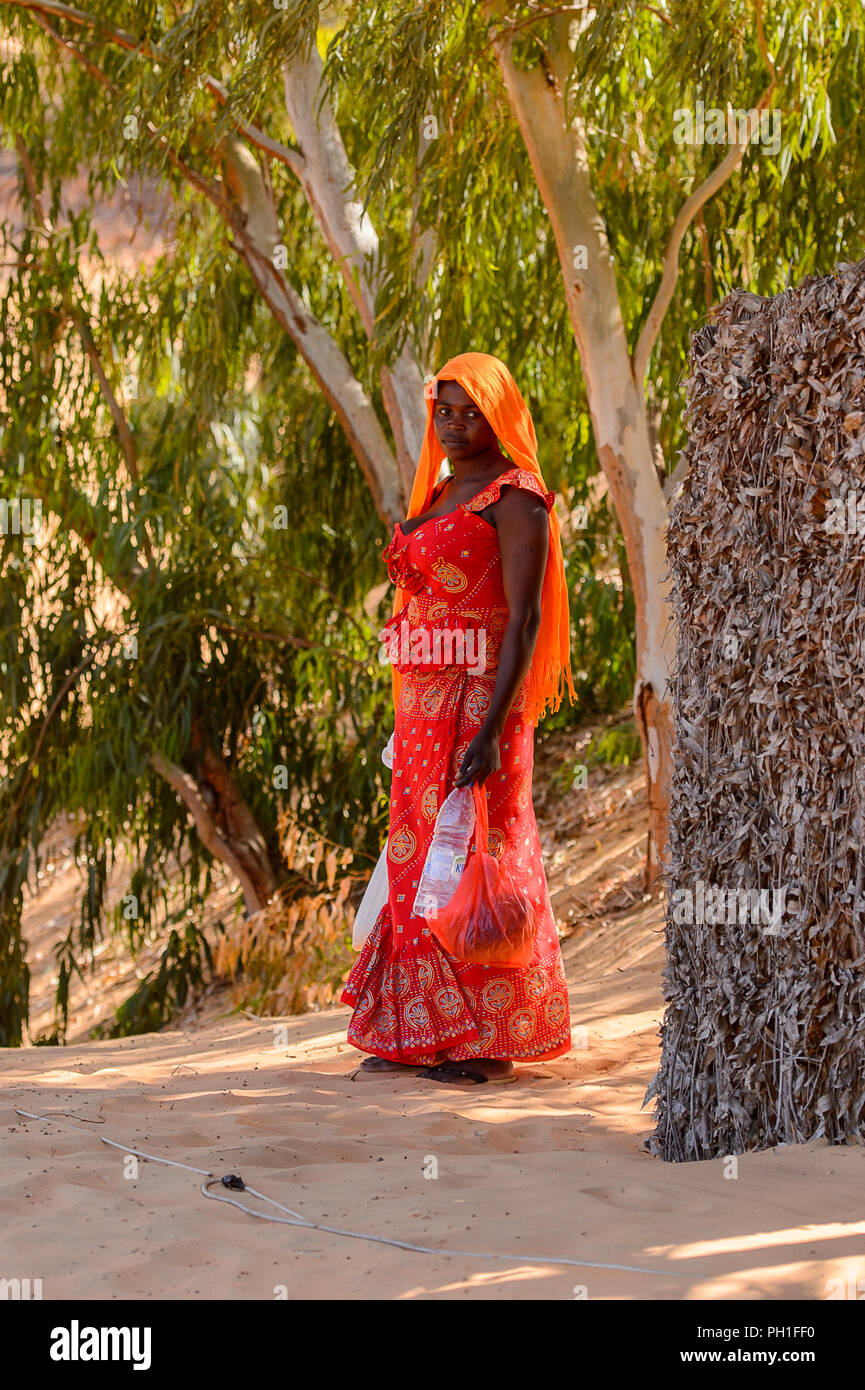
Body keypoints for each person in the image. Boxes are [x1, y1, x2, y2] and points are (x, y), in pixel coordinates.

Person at [341, 352, 577, 1084]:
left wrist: (488, 730)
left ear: (498, 415)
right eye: (443, 410)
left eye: (469, 411)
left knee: (480, 849)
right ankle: (415, 1029)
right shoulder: (443, 490)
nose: (452, 424)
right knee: (420, 853)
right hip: (420, 701)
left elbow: (525, 618)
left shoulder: (517, 498)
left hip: (480, 700)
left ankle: (483, 1036)